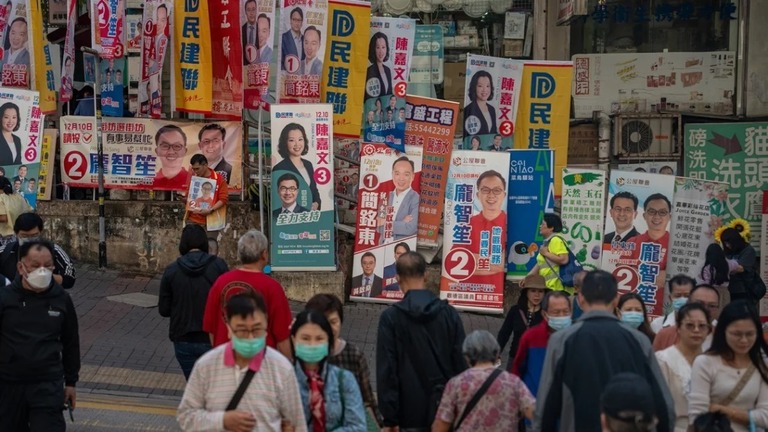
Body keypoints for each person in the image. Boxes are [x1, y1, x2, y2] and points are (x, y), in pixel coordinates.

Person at [532, 270, 675, 432]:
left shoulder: (562, 341)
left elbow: (545, 408)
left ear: (580, 300)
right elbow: (664, 405)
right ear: (615, 300)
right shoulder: (638, 340)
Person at [177, 292, 307, 431]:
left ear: (266, 326)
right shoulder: (206, 366)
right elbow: (186, 416)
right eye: (242, 330)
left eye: (257, 330)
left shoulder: (281, 368)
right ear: (229, 329)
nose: (250, 337)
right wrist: (222, 421)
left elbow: (297, 423)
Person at [377, 251, 467, 431]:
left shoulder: (391, 318)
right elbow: (461, 365)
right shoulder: (448, 314)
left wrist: (390, 418)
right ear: (426, 275)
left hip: (407, 413)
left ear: (397, 278)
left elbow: (387, 372)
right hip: (444, 412)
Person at [0, 240, 80, 431]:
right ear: (21, 267)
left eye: (48, 266)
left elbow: (71, 342)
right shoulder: (4, 299)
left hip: (47, 385)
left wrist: (71, 382)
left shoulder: (61, 299)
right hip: (9, 386)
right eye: (35, 266)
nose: (42, 271)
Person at [202, 230, 293, 358]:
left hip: (225, 361)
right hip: (262, 364)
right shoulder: (272, 287)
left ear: (240, 254)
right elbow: (283, 336)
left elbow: (211, 327)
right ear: (265, 254)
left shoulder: (221, 282)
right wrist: (289, 366)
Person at [158, 224, 229, 380]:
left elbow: (164, 309)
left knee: (194, 384)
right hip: (212, 336)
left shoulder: (172, 270)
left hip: (183, 338)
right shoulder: (219, 266)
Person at [688, 300, 768, 431]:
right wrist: (749, 415)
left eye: (750, 334)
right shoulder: (705, 363)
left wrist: (719, 409)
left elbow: (765, 417)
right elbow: (697, 414)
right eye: (736, 334)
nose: (744, 340)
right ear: (723, 331)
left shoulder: (762, 365)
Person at [433, 330, 535, 431]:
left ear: (467, 356)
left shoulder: (456, 383)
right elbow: (534, 413)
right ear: (496, 354)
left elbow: (441, 425)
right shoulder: (513, 382)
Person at [305, 294, 381, 427]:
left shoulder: (353, 355)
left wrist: (380, 424)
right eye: (324, 322)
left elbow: (367, 398)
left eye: (334, 322)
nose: (329, 328)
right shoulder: (303, 357)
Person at [290, 309, 366, 431]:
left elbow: (358, 426)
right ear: (294, 340)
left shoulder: (344, 379)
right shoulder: (282, 379)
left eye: (319, 338)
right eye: (305, 338)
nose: (312, 344)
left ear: (328, 342)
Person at [512, 290, 571, 431]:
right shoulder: (531, 337)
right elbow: (517, 370)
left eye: (566, 312)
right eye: (556, 313)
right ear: (545, 314)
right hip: (535, 412)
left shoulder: (577, 337)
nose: (562, 316)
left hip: (567, 414)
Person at [656, 303, 712, 432]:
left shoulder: (711, 362)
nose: (696, 330)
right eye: (690, 325)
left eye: (702, 326)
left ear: (708, 330)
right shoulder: (663, 360)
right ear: (678, 328)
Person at [0, 213, 76, 289]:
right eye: (24, 236)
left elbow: (69, 278)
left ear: (40, 232)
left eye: (34, 235)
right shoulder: (5, 252)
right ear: (16, 233)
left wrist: (45, 276)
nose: (29, 240)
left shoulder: (54, 251)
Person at [654, 284, 722, 352]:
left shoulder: (723, 337)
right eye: (700, 304)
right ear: (687, 304)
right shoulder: (666, 335)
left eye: (712, 306)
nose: (705, 309)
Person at [497, 273, 545, 370]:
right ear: (526, 292)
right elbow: (504, 333)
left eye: (540, 291)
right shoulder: (515, 310)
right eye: (533, 291)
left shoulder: (547, 313)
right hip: (515, 359)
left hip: (538, 361)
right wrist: (497, 352)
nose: (537, 295)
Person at [467, 170, 507, 283]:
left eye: (497, 190)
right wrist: (498, 264)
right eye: (485, 190)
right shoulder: (466, 224)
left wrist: (477, 260)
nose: (491, 195)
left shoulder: (510, 223)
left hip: (499, 287)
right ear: (478, 194)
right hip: (468, 287)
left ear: (504, 195)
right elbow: (462, 263)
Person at [273, 123, 321, 210]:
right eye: (291, 140)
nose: (297, 144)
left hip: (310, 216)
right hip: (291, 217)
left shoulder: (308, 165)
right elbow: (278, 198)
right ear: (285, 143)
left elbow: (314, 190)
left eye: (300, 139)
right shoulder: (279, 168)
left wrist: (317, 203)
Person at [627, 194, 672, 286]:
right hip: (633, 299)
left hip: (664, 300)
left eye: (662, 212)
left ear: (669, 216)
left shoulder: (675, 245)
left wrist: (637, 274)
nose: (657, 216)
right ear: (644, 215)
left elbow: (672, 278)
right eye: (652, 211)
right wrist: (659, 276)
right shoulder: (632, 242)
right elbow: (624, 273)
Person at [522, 213, 570, 293]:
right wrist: (527, 278)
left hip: (558, 289)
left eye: (543, 224)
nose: (540, 226)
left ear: (551, 228)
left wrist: (546, 253)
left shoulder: (556, 240)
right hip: (549, 287)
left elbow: (564, 259)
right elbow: (539, 264)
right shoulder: (548, 242)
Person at [185, 154, 229, 236]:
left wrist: (211, 210)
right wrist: (185, 200)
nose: (195, 172)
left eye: (197, 169)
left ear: (205, 165)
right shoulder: (193, 179)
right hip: (193, 220)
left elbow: (223, 199)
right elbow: (189, 198)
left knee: (210, 247)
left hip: (211, 223)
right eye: (193, 169)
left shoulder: (219, 179)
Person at [378, 156, 418, 241]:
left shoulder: (416, 198)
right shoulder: (386, 196)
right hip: (382, 246)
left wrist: (386, 223)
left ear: (413, 176)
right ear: (392, 174)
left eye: (406, 174)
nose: (401, 178)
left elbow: (411, 228)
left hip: (403, 249)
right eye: (397, 173)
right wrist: (402, 223)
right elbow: (378, 227)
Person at [721, 227, 758, 303]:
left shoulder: (748, 250)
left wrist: (722, 266)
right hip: (729, 289)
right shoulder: (727, 251)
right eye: (725, 244)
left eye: (728, 243)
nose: (727, 246)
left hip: (744, 290)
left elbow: (740, 268)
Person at [152, 125, 189, 190]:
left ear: (185, 151)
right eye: (165, 146)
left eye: (177, 146)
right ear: (157, 151)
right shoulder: (147, 182)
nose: (171, 152)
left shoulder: (193, 181)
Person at [463, 70, 497, 138]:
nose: (484, 90)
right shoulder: (469, 109)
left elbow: (494, 133)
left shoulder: (492, 109)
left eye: (487, 86)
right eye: (480, 86)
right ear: (474, 87)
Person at [0, 176, 31, 244]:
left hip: (5, 238)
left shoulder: (1, 198)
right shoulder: (19, 196)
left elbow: (3, 218)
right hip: (21, 235)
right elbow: (30, 210)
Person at [365, 32, 392, 99]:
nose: (381, 51)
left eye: (383, 47)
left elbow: (390, 93)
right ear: (373, 49)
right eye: (378, 47)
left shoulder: (387, 70)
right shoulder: (369, 70)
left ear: (386, 49)